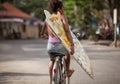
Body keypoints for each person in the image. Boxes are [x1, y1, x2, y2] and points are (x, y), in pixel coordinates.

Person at [41, 0, 74, 84]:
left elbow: (42, 33)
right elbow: (67, 31)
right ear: (59, 9)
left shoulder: (48, 18)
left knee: (52, 60)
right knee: (67, 54)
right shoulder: (62, 17)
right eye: (63, 8)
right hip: (61, 45)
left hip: (50, 46)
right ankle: (67, 70)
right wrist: (72, 45)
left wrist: (44, 36)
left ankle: (51, 80)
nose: (64, 9)